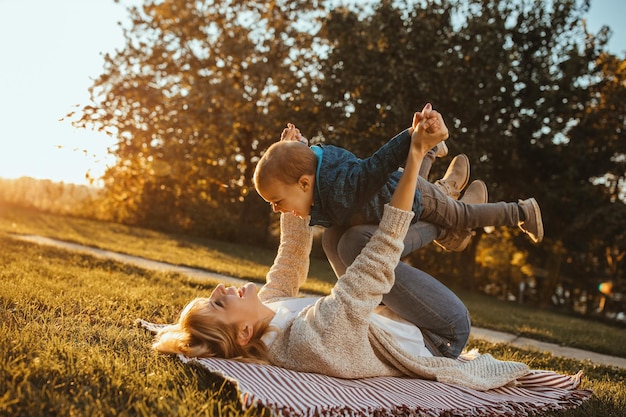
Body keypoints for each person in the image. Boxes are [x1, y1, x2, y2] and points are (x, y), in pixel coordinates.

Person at [152, 111, 533, 391]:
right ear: (245, 333)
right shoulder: (304, 341)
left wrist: (293, 160)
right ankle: (454, 214)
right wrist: (413, 157)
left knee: (339, 236)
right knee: (359, 245)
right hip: (439, 334)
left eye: (210, 296)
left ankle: (450, 211)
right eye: (218, 305)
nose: (219, 290)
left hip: (392, 315)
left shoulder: (268, 310)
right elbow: (377, 260)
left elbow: (291, 253)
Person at [253, 104, 543, 252]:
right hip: (398, 190)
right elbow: (306, 165)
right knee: (428, 188)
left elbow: (378, 164)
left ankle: (521, 211)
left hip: (415, 198)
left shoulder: (344, 187)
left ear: (304, 184)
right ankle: (441, 175)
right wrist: (295, 149)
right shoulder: (317, 176)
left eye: (276, 201)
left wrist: (412, 135)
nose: (275, 209)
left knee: (463, 217)